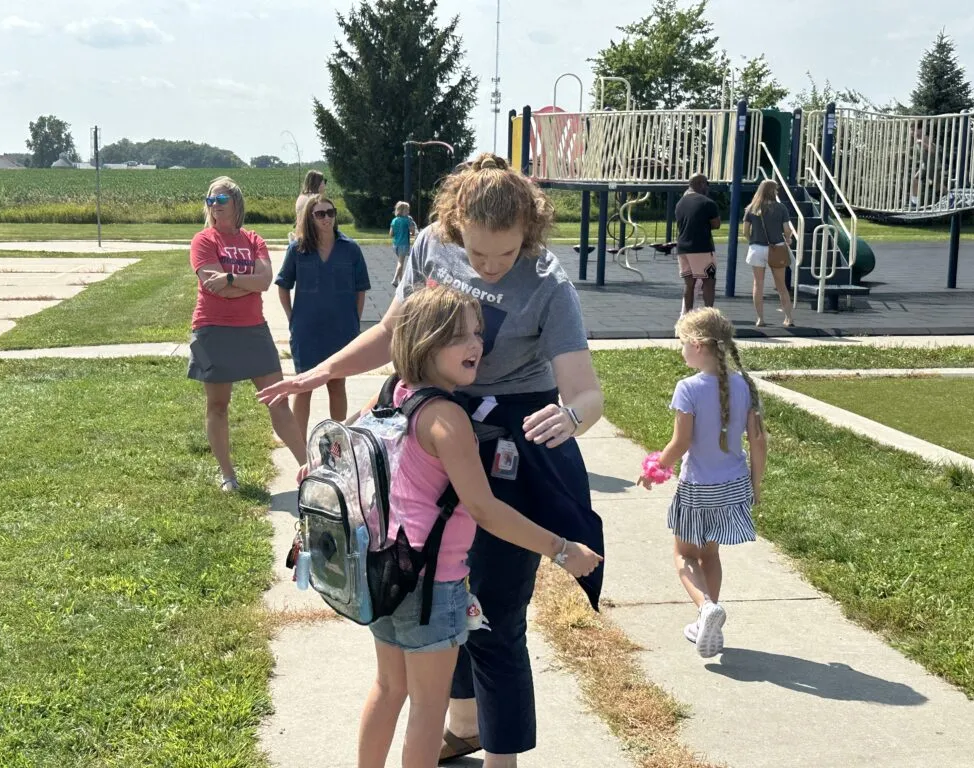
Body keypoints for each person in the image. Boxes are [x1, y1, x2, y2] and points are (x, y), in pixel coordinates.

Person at [260, 153, 606, 767]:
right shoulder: (429, 245)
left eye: (506, 256)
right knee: (438, 597)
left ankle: (502, 758)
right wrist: (322, 373)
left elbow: (585, 388)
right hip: (428, 432)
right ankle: (466, 724)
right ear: (453, 226)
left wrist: (573, 415)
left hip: (507, 440)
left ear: (529, 232)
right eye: (477, 255)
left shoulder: (549, 282)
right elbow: (397, 333)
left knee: (495, 616)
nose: (492, 269)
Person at [317, 284, 603, 768]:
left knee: (389, 689)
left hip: (383, 571)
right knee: (428, 710)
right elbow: (486, 509)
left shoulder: (390, 394)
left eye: (477, 333)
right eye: (459, 338)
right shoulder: (447, 419)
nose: (476, 345)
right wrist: (560, 549)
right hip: (434, 587)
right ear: (425, 342)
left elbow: (339, 453)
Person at [637, 308, 766, 658]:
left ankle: (706, 608)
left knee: (683, 555)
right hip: (733, 485)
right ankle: (709, 616)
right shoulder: (745, 386)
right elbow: (758, 441)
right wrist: (755, 486)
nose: (680, 349)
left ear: (697, 344)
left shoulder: (688, 388)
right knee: (710, 554)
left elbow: (680, 444)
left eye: (681, 343)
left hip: (698, 487)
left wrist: (653, 470)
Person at [187, 176, 306, 490]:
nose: (214, 206)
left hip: (253, 329)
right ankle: (228, 476)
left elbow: (265, 280)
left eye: (221, 200)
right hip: (211, 330)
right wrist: (241, 282)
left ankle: (310, 470)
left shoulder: (253, 239)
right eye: (210, 200)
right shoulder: (203, 240)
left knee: (278, 399)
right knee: (218, 405)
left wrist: (227, 279)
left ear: (236, 203)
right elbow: (217, 287)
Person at [275, 194, 371, 449]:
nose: (326, 218)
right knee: (302, 387)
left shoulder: (350, 249)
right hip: (307, 330)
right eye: (320, 214)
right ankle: (299, 446)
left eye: (330, 212)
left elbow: (361, 289)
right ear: (310, 217)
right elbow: (283, 286)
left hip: (341, 330)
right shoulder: (297, 249)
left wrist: (355, 321)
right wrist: (291, 317)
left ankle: (338, 444)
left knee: (337, 385)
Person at [743, 179, 796, 328]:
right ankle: (788, 318)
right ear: (774, 191)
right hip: (777, 248)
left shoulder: (751, 208)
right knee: (781, 286)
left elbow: (745, 231)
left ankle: (760, 319)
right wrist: (788, 239)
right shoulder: (781, 208)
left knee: (758, 285)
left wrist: (752, 240)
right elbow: (786, 229)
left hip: (757, 248)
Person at [674, 174, 721, 313]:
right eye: (706, 184)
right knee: (709, 281)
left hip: (683, 247)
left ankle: (687, 316)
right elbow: (716, 224)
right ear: (701, 184)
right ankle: (708, 315)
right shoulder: (707, 202)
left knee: (689, 284)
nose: (707, 187)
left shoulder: (680, 203)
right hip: (702, 247)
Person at [389, 200, 418, 286]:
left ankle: (400, 281)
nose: (408, 212)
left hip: (395, 244)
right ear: (401, 210)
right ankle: (394, 279)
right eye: (407, 210)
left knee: (400, 262)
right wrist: (411, 231)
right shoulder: (407, 220)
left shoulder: (394, 220)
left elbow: (391, 234)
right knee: (400, 263)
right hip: (404, 244)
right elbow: (412, 232)